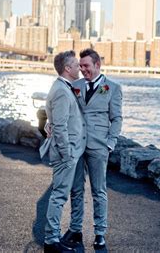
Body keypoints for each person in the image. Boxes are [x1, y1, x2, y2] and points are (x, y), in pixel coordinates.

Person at [60, 48, 123, 251]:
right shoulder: (74, 85)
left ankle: (100, 234)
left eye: (86, 65)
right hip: (77, 146)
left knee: (99, 191)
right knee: (76, 190)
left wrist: (110, 142)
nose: (83, 69)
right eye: (81, 65)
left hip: (99, 147)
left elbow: (117, 118)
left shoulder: (112, 88)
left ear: (97, 65)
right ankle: (75, 230)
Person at [42, 50, 87, 253]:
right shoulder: (61, 90)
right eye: (77, 65)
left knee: (75, 192)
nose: (80, 68)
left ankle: (71, 233)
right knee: (59, 196)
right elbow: (59, 127)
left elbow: (57, 121)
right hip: (67, 154)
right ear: (68, 69)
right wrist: (68, 154)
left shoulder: (66, 87)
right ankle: (51, 241)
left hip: (74, 152)